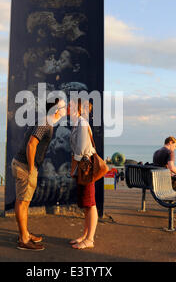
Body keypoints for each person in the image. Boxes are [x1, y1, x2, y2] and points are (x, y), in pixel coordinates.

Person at [12, 97, 67, 251]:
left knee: (24, 201)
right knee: (22, 202)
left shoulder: (47, 122)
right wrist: (31, 169)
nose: (65, 109)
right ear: (56, 110)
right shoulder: (45, 123)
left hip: (24, 165)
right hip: (25, 167)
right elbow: (31, 144)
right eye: (63, 106)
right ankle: (23, 239)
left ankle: (25, 233)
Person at [69, 99, 98, 250]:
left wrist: (72, 169)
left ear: (77, 108)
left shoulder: (82, 123)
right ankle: (85, 235)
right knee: (86, 204)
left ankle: (90, 239)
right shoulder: (78, 123)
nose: (68, 107)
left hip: (85, 168)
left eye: (71, 105)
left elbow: (79, 151)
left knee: (90, 203)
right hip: (83, 167)